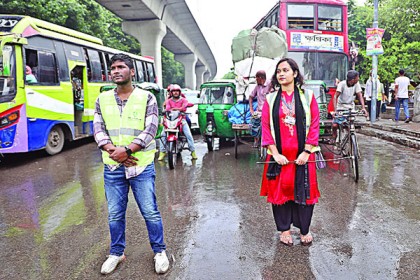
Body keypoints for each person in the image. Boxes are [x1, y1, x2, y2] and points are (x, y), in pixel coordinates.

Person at [93, 54, 169, 275]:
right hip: (113, 166)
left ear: (131, 71)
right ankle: (116, 252)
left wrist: (127, 151)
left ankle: (160, 251)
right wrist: (114, 152)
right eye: (113, 67)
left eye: (121, 67)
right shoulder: (102, 99)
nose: (116, 71)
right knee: (115, 213)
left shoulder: (147, 98)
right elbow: (98, 129)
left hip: (141, 165)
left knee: (150, 211)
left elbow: (151, 129)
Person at [260, 57, 320, 246]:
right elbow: (266, 128)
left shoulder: (308, 97)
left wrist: (306, 152)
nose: (281, 74)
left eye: (285, 70)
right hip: (279, 157)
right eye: (278, 71)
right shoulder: (270, 100)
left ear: (295, 73)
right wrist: (275, 154)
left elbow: (315, 125)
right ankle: (284, 230)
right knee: (281, 193)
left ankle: (304, 230)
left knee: (305, 192)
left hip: (302, 156)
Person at [158, 84, 197, 160]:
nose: (175, 93)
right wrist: (176, 109)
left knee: (188, 135)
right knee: (162, 135)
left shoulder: (183, 100)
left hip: (181, 120)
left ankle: (193, 152)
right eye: (174, 91)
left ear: (179, 92)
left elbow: (183, 108)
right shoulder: (168, 100)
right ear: (171, 93)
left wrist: (176, 109)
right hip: (170, 120)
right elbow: (168, 108)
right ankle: (162, 152)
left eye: (177, 91)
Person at [331, 70, 367, 144]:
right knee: (334, 125)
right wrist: (335, 111)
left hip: (350, 107)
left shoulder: (356, 84)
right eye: (357, 78)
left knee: (350, 126)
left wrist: (363, 108)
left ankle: (349, 143)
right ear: (353, 79)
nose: (358, 79)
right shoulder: (342, 84)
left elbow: (360, 96)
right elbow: (335, 97)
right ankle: (334, 137)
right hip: (341, 107)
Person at [249, 70, 271, 148]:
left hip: (269, 111)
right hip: (259, 111)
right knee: (253, 123)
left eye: (256, 78)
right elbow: (251, 97)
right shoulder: (257, 86)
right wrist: (251, 109)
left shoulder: (270, 85)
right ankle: (256, 140)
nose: (256, 80)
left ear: (261, 78)